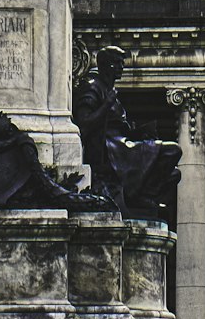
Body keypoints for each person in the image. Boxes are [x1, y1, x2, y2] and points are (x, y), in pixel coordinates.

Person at [73, 45, 181, 216]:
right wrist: (107, 104)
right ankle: (135, 195)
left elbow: (119, 127)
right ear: (106, 65)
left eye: (121, 63)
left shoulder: (109, 90)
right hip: (110, 150)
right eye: (117, 63)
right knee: (173, 151)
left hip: (122, 145)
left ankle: (140, 197)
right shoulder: (93, 88)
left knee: (174, 173)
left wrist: (139, 133)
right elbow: (84, 125)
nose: (121, 67)